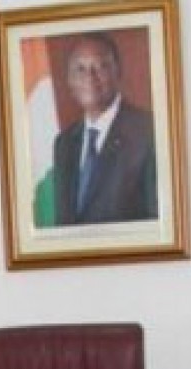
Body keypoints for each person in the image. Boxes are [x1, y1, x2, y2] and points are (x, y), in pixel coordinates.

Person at [53, 31, 157, 225]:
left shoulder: (148, 132)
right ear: (69, 81)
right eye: (80, 69)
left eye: (101, 66)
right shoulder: (64, 143)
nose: (90, 77)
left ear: (118, 72)